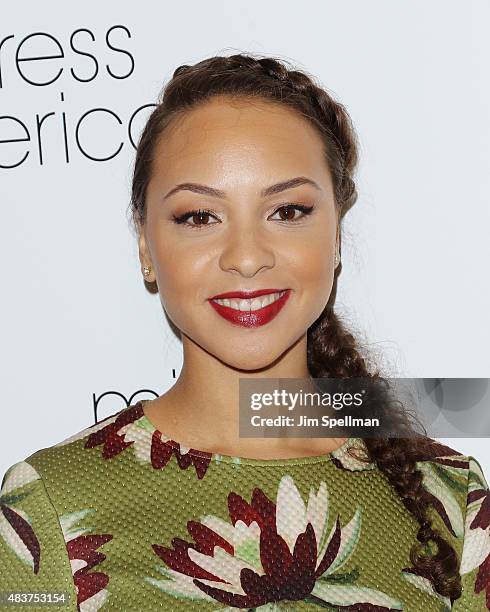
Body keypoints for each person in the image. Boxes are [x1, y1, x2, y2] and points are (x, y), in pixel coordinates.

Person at [1, 53, 488, 612]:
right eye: (199, 217)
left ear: (336, 235)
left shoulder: (452, 499)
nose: (247, 258)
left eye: (287, 211)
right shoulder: (47, 507)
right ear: (146, 247)